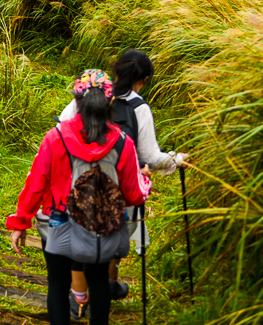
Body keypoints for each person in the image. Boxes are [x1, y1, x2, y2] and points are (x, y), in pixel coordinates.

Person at [7, 70, 150, 325]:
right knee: (98, 281)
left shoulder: (56, 137)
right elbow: (133, 194)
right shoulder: (122, 142)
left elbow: (36, 183)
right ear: (111, 102)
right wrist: (146, 179)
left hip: (57, 221)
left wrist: (21, 221)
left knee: (58, 286)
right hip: (100, 227)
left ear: (76, 101)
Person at [59, 49, 188, 305]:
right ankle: (105, 286)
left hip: (78, 181)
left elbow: (61, 129)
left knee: (81, 235)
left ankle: (80, 296)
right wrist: (177, 160)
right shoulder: (139, 108)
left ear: (116, 70)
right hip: (120, 186)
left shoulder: (89, 92)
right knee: (112, 234)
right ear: (145, 79)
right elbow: (150, 157)